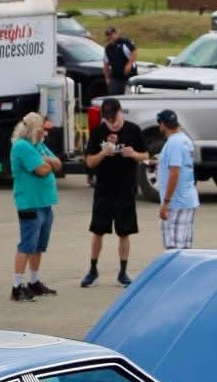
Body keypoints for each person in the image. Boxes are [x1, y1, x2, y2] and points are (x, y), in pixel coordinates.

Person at [81, 97, 146, 287]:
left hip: (126, 188)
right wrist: (103, 153)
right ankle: (93, 270)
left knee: (124, 232)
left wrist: (133, 154)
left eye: (113, 117)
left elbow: (146, 155)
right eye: (107, 118)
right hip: (104, 189)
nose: (111, 122)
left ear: (120, 111)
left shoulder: (133, 130)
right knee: (98, 231)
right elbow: (89, 162)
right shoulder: (98, 132)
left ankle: (123, 272)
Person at [9, 109, 61, 300]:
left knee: (39, 245)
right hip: (29, 203)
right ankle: (17, 285)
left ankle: (34, 281)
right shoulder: (22, 147)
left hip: (45, 203)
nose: (44, 132)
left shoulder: (38, 146)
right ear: (32, 129)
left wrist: (47, 161)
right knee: (27, 245)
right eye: (41, 128)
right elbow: (42, 170)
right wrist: (48, 163)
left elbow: (58, 164)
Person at [156, 109, 199, 250]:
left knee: (174, 250)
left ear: (162, 124)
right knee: (185, 250)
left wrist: (166, 203)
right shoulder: (185, 139)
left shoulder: (173, 143)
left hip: (176, 203)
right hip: (188, 200)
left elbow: (175, 172)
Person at [102, 26, 137, 96]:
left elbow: (134, 52)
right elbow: (105, 64)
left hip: (129, 76)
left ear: (116, 34)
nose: (110, 36)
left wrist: (129, 64)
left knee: (128, 97)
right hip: (115, 77)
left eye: (112, 34)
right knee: (113, 96)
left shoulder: (125, 42)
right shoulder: (108, 48)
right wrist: (107, 78)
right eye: (108, 35)